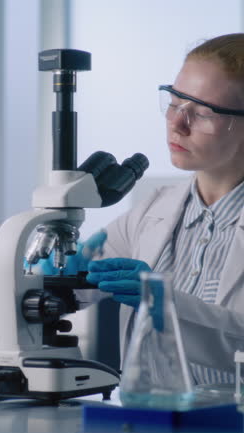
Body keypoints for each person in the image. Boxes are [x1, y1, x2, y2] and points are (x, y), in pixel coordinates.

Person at [39, 33, 244, 385]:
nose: (177, 124)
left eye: (203, 112)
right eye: (175, 101)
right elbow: (73, 287)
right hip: (144, 424)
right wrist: (50, 277)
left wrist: (168, 306)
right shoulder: (153, 210)